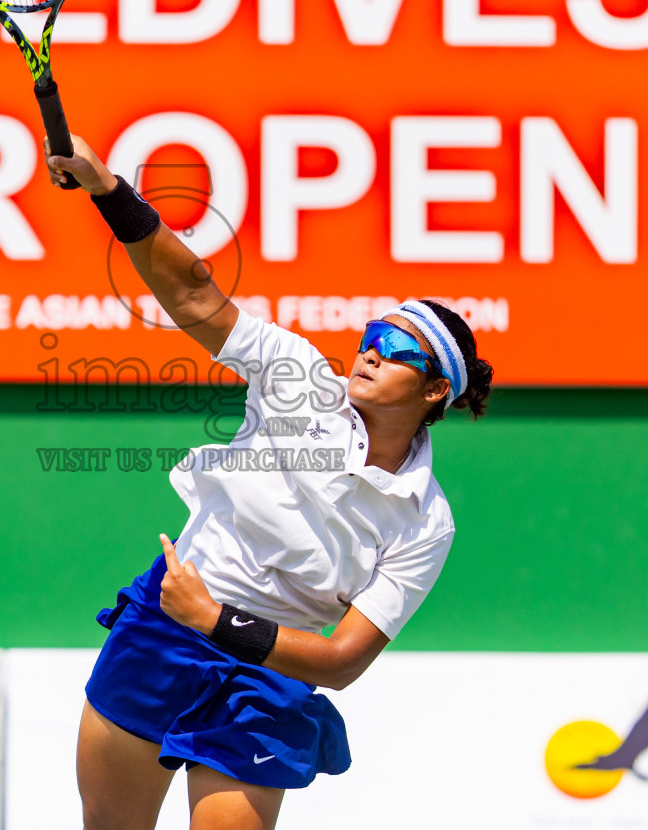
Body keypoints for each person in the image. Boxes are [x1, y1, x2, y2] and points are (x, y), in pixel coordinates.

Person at [45, 136, 493, 830]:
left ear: (436, 389)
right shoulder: (302, 379)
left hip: (265, 668)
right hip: (163, 628)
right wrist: (109, 191)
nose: (373, 349)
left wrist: (217, 621)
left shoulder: (426, 522)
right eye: (375, 332)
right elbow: (195, 293)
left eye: (400, 349)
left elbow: (342, 661)